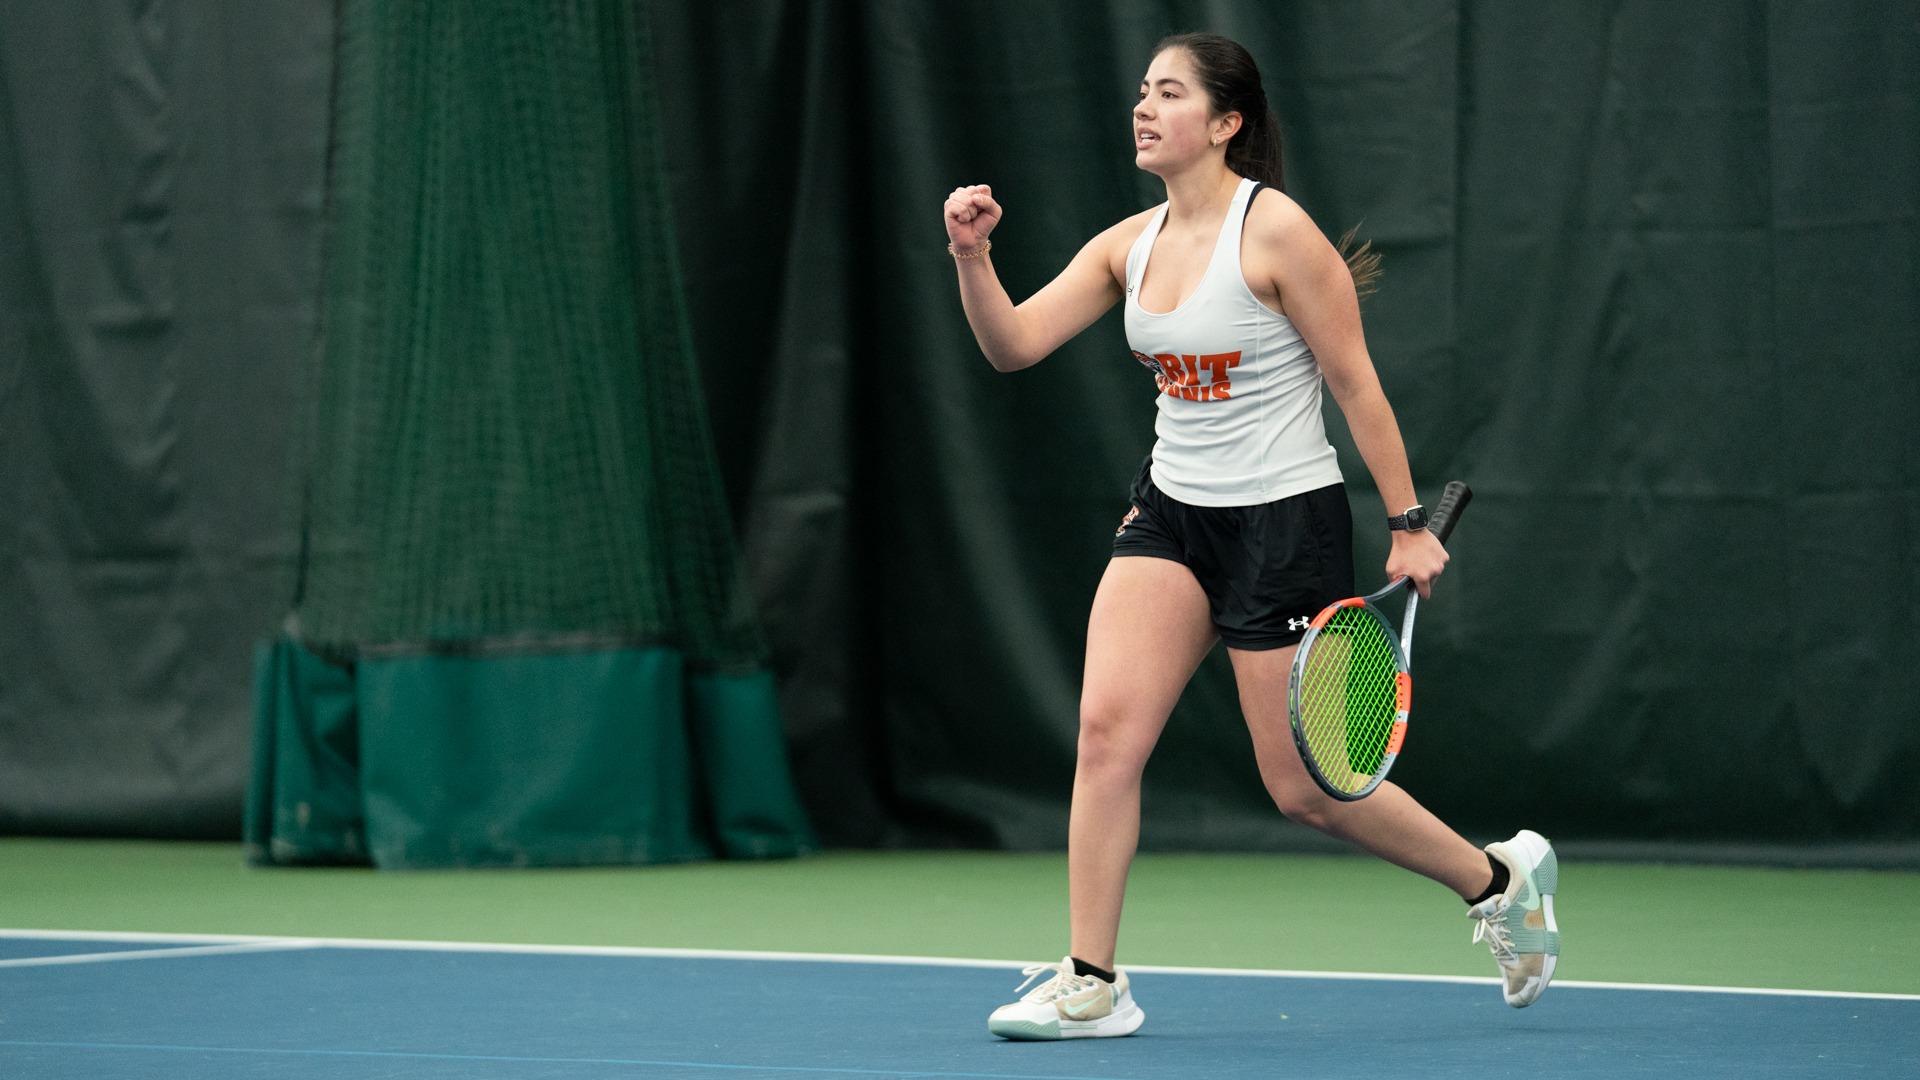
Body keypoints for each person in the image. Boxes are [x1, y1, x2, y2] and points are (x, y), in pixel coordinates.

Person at [943, 33, 1560, 1041]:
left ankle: (1498, 878)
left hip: (1284, 523)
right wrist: (973, 255)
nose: (1145, 107)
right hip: (1170, 515)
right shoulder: (1126, 245)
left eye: (1170, 93)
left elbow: (1355, 383)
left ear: (1227, 122)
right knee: (1105, 736)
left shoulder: (1275, 235)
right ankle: (1092, 979)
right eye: (1142, 91)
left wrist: (1407, 526)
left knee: (1304, 790)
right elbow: (1012, 344)